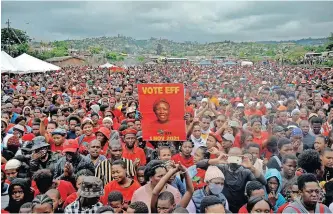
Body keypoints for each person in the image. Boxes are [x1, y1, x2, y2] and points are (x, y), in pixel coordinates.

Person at [196, 147, 266, 213]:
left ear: (241, 158)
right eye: (232, 157)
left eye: (237, 158)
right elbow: (199, 164)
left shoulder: (245, 171)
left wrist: (252, 168)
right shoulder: (222, 168)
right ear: (228, 157)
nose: (234, 161)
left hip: (239, 206)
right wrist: (216, 160)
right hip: (223, 204)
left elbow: (263, 182)